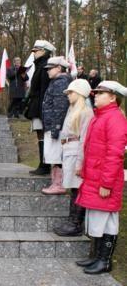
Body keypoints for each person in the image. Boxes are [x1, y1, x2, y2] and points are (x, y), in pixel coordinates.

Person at [75, 81, 127, 274]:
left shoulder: (114, 119)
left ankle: (104, 261)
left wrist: (106, 183)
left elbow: (115, 155)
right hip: (95, 178)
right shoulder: (101, 116)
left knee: (107, 220)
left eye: (100, 93)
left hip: (105, 182)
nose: (95, 95)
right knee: (99, 219)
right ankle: (97, 257)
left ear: (113, 97)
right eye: (95, 93)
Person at [53, 79, 94, 236]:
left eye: (71, 92)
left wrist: (79, 163)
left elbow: (84, 140)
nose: (68, 95)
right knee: (73, 188)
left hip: (76, 152)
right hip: (69, 151)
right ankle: (72, 221)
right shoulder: (72, 110)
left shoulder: (86, 112)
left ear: (79, 93)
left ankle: (76, 223)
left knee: (78, 189)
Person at [25, 39, 56, 175]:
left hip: (40, 107)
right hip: (37, 105)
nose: (34, 53)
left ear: (43, 51)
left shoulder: (44, 67)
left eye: (36, 51)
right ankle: (43, 164)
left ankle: (44, 166)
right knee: (40, 135)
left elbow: (44, 91)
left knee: (43, 135)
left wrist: (43, 111)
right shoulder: (40, 65)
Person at [41, 56, 71, 195]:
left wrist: (55, 129)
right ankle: (56, 182)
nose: (48, 71)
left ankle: (58, 184)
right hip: (53, 125)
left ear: (59, 68)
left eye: (50, 68)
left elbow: (60, 108)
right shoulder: (57, 81)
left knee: (56, 156)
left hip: (55, 127)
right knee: (54, 156)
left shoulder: (60, 82)